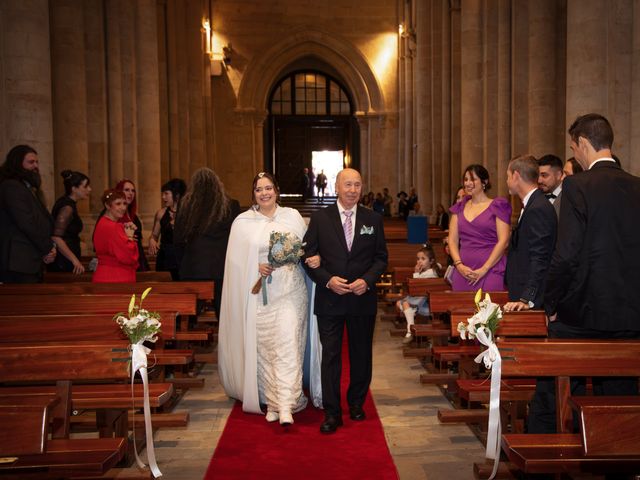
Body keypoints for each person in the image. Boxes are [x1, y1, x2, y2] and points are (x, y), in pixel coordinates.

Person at [535, 113, 640, 433]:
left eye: (574, 147)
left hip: (582, 315)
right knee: (621, 405)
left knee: (553, 395)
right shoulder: (636, 187)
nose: (575, 153)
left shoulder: (578, 185)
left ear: (583, 143)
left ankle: (544, 463)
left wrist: (549, 304)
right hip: (629, 317)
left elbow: (566, 255)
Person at [218, 172, 319, 426]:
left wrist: (306, 256)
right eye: (258, 189)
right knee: (266, 348)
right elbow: (235, 264)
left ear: (277, 190)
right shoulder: (242, 222)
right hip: (260, 297)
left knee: (288, 344)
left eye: (268, 188)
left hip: (290, 291)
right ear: (253, 194)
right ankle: (272, 401)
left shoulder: (292, 217)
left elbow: (305, 249)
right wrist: (257, 267)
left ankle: (285, 404)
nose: (264, 193)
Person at [303, 168, 388, 434]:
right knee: (330, 357)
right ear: (336, 187)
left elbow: (381, 258)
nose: (352, 190)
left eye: (357, 185)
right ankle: (331, 412)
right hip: (330, 299)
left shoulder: (373, 218)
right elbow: (307, 256)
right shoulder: (319, 219)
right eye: (347, 184)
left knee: (361, 355)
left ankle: (356, 403)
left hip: (362, 299)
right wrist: (327, 280)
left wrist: (368, 280)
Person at [174, 168, 240, 318]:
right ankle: (227, 341)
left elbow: (177, 240)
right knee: (225, 317)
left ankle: (187, 337)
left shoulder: (185, 206)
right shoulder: (231, 205)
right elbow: (237, 239)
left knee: (188, 317)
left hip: (193, 268)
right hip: (221, 269)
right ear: (218, 184)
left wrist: (182, 265)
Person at [503, 155, 557, 312]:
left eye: (507, 176)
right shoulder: (532, 204)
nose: (507, 181)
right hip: (520, 289)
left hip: (529, 297)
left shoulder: (538, 207)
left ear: (516, 175)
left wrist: (527, 298)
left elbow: (540, 257)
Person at [447, 164, 511, 291]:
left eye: (473, 179)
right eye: (466, 180)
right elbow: (452, 241)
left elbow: (504, 241)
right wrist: (459, 265)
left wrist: (484, 269)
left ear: (484, 182)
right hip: (463, 272)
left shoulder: (498, 205)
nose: (468, 183)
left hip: (490, 270)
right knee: (461, 309)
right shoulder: (459, 208)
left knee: (489, 309)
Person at [0, 145, 56, 283]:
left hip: (30, 260)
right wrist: (47, 248)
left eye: (37, 162)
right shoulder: (11, 186)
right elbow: (26, 223)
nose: (36, 166)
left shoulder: (26, 187)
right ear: (17, 163)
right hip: (18, 262)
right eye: (31, 162)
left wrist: (50, 246)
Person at [396, 244, 442, 344]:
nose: (419, 261)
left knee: (404, 304)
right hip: (420, 299)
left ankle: (409, 330)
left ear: (431, 261)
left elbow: (416, 286)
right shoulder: (430, 270)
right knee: (400, 303)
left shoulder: (430, 273)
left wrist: (416, 272)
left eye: (423, 258)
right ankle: (410, 313)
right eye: (418, 259)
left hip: (425, 303)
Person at [49, 170, 91, 274]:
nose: (89, 189)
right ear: (74, 189)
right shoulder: (67, 207)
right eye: (85, 186)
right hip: (63, 261)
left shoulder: (68, 203)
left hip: (66, 258)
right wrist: (75, 260)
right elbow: (56, 237)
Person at [92, 189, 138, 283]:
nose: (123, 208)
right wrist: (129, 238)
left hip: (104, 274)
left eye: (124, 203)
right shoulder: (113, 227)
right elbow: (128, 257)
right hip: (115, 277)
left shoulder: (102, 222)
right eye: (118, 204)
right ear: (107, 205)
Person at [149, 178, 187, 280]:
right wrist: (152, 240)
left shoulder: (188, 214)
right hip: (165, 259)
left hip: (182, 258)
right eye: (163, 194)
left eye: (166, 194)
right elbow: (154, 236)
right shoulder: (161, 213)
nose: (163, 197)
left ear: (177, 195)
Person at [114, 179, 149, 271]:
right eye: (127, 190)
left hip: (137, 258)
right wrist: (126, 238)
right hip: (122, 261)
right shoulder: (113, 214)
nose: (130, 193)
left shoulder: (134, 216)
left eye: (133, 191)